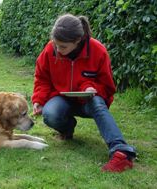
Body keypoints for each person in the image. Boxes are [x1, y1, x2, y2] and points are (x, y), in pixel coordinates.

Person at [32, 13, 136, 173]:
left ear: (77, 40)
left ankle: (121, 152)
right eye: (55, 45)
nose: (58, 50)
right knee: (50, 113)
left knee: (97, 103)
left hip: (89, 102)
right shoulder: (49, 50)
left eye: (63, 47)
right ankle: (67, 129)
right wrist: (38, 100)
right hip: (62, 100)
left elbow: (108, 87)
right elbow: (42, 78)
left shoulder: (98, 51)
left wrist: (90, 89)